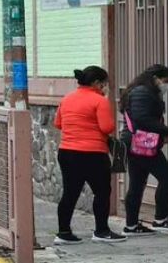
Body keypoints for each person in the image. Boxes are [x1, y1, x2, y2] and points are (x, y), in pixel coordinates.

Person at [53, 66, 126, 244]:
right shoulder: (99, 100)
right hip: (93, 153)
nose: (105, 87)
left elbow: (58, 123)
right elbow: (107, 127)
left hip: (67, 152)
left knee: (70, 193)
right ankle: (101, 231)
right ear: (97, 83)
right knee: (102, 192)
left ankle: (63, 232)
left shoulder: (67, 99)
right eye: (105, 84)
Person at [120, 64, 168, 235]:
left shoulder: (140, 90)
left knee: (137, 183)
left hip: (135, 143)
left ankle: (131, 225)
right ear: (155, 78)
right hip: (140, 143)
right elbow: (142, 118)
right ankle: (161, 219)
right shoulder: (142, 92)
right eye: (166, 80)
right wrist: (165, 130)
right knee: (167, 178)